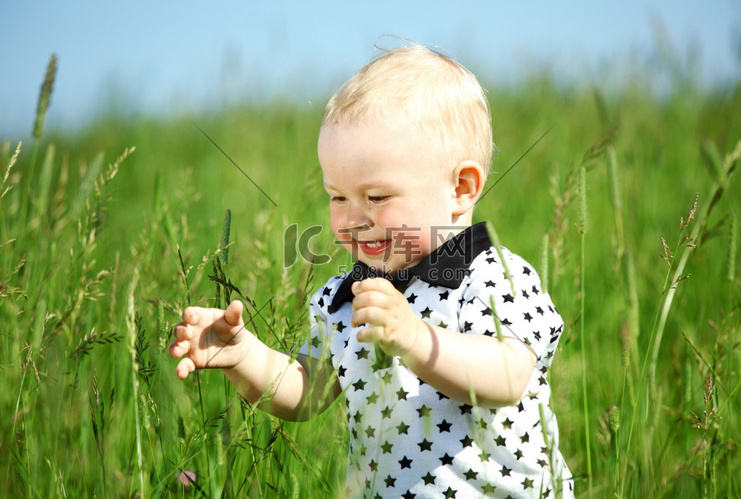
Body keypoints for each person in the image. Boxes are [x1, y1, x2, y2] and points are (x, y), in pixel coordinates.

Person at [170, 42, 574, 498]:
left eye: (377, 197)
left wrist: (417, 339)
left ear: (461, 188)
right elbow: (307, 391)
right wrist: (243, 356)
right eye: (338, 196)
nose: (353, 217)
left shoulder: (490, 276)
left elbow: (509, 374)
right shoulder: (345, 297)